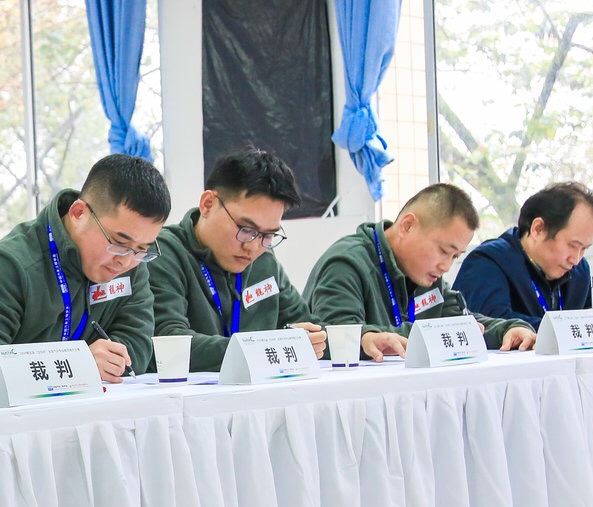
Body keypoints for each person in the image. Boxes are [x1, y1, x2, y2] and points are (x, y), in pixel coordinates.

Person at [151, 149, 409, 369]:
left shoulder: (263, 261)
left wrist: (360, 340)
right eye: (246, 229)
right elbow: (171, 343)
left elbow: (308, 329)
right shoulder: (163, 253)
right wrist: (269, 349)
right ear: (208, 204)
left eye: (268, 235)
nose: (253, 246)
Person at [0, 153, 169, 382]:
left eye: (142, 249)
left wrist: (105, 362)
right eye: (119, 243)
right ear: (78, 213)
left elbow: (137, 346)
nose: (126, 261)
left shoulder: (131, 265)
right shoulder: (8, 264)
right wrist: (76, 363)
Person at [304, 182, 538, 353]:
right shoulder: (346, 263)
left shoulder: (426, 275)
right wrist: (438, 333)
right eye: (443, 251)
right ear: (407, 226)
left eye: (455, 256)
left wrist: (507, 330)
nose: (446, 266)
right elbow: (339, 340)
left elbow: (462, 323)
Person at [453, 180, 593, 333]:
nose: (576, 259)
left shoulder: (579, 271)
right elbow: (491, 325)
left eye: (584, 249)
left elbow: (588, 321)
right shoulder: (487, 263)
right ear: (538, 229)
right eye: (572, 245)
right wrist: (580, 326)